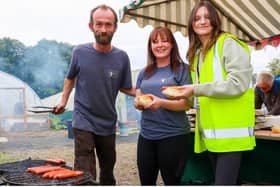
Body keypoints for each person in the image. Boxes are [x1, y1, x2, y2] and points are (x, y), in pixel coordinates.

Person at [167, 1, 256, 185]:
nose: (202, 21)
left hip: (231, 134)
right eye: (197, 18)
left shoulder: (229, 44)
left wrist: (194, 89)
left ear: (216, 20)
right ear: (191, 23)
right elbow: (198, 96)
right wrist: (180, 94)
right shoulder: (198, 53)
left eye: (207, 17)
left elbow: (238, 84)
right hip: (212, 135)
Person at [53, 4, 135, 185]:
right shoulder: (80, 52)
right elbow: (70, 78)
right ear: (91, 26)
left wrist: (144, 94)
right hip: (83, 120)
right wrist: (63, 100)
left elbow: (126, 87)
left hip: (107, 121)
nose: (103, 29)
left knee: (107, 169)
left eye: (108, 24)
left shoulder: (122, 57)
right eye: (99, 24)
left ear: (115, 27)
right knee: (84, 172)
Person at [134, 26, 192, 185]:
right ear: (150, 46)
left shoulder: (182, 69)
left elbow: (185, 104)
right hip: (146, 135)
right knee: (146, 182)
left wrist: (161, 103)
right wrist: (138, 104)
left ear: (172, 44)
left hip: (173, 135)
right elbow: (138, 98)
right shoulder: (144, 72)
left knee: (172, 182)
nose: (160, 45)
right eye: (155, 42)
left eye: (164, 41)